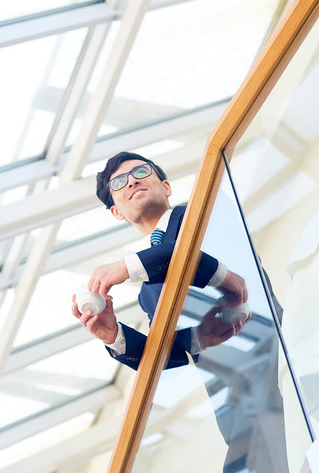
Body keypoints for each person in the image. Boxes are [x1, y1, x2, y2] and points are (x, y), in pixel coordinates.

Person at [72, 151, 251, 370]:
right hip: (241, 379)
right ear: (117, 212)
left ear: (166, 187)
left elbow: (180, 254)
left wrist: (126, 266)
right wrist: (114, 336)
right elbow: (163, 358)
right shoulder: (147, 294)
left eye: (140, 171)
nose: (132, 181)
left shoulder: (205, 213)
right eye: (119, 182)